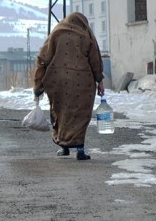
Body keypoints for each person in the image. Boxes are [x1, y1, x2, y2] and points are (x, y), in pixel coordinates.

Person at [32, 12, 105, 160]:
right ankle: (80, 150)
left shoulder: (57, 33)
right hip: (82, 81)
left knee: (61, 113)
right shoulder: (86, 34)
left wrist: (38, 85)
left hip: (58, 81)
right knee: (79, 114)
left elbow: (43, 58)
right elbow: (95, 59)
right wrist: (100, 80)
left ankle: (64, 146)